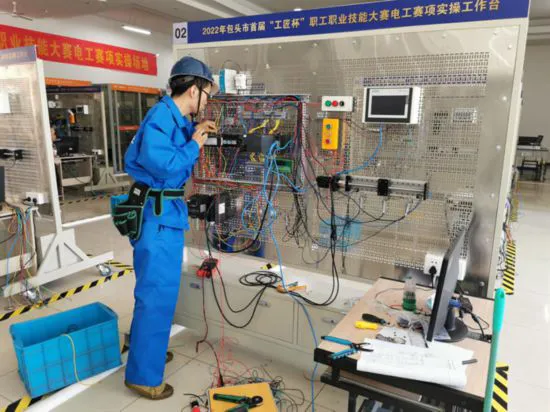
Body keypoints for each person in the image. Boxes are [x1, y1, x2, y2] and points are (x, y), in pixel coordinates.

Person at [123, 56, 218, 400]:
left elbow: (171, 154)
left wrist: (196, 132)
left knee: (154, 291)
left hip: (164, 214)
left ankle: (145, 349)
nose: (206, 101)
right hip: (158, 218)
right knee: (156, 293)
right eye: (206, 93)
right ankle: (143, 376)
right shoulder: (161, 118)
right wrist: (196, 143)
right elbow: (166, 165)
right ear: (193, 90)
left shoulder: (171, 116)